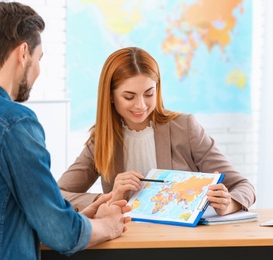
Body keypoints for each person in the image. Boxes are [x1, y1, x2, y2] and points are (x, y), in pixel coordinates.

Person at [0, 2, 131, 259]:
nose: (39, 69)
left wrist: (75, 217)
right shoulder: (13, 122)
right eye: (39, 57)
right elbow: (60, 234)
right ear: (23, 53)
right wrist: (108, 225)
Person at [58, 47, 256, 216]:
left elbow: (244, 186)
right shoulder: (102, 139)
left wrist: (229, 204)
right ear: (110, 96)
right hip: (124, 242)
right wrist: (110, 199)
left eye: (149, 94)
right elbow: (58, 194)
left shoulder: (185, 128)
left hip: (177, 243)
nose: (140, 105)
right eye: (129, 97)